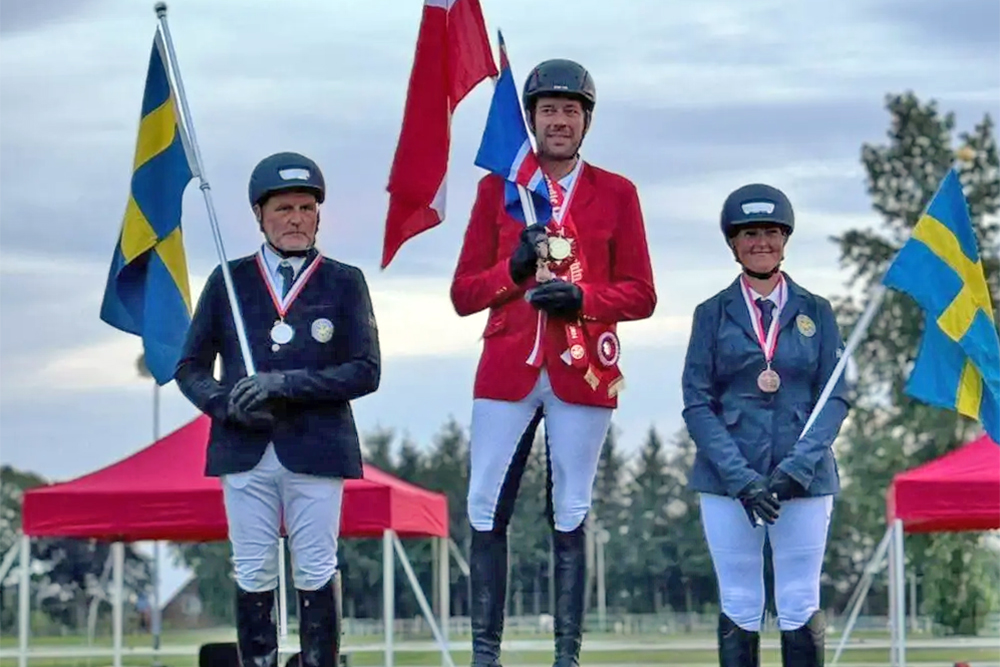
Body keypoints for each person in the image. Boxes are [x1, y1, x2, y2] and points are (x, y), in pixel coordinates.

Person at [450, 59, 657, 667]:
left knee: (572, 506)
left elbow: (642, 293)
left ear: (586, 121)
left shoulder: (618, 193)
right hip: (507, 366)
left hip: (583, 367)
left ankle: (567, 655)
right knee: (485, 503)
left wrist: (585, 300)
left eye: (570, 111)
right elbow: (464, 293)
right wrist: (511, 274)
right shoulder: (498, 189)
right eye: (548, 111)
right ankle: (485, 655)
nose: (559, 121)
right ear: (532, 119)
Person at [175, 151, 381, 667]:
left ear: (319, 214)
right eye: (284, 208)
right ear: (260, 216)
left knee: (315, 566)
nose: (296, 219)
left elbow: (365, 370)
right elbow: (190, 367)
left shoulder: (344, 281)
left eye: (306, 208)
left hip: (316, 446)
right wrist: (225, 402)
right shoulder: (228, 280)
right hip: (245, 447)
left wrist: (287, 384)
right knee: (252, 568)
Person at [681, 183, 850, 667]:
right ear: (734, 243)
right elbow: (697, 404)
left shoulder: (817, 311)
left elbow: (834, 397)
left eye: (771, 233)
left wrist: (797, 468)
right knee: (740, 602)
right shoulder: (710, 315)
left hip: (804, 480)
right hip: (728, 483)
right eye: (750, 233)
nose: (761, 242)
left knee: (799, 599)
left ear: (785, 239)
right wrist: (742, 481)